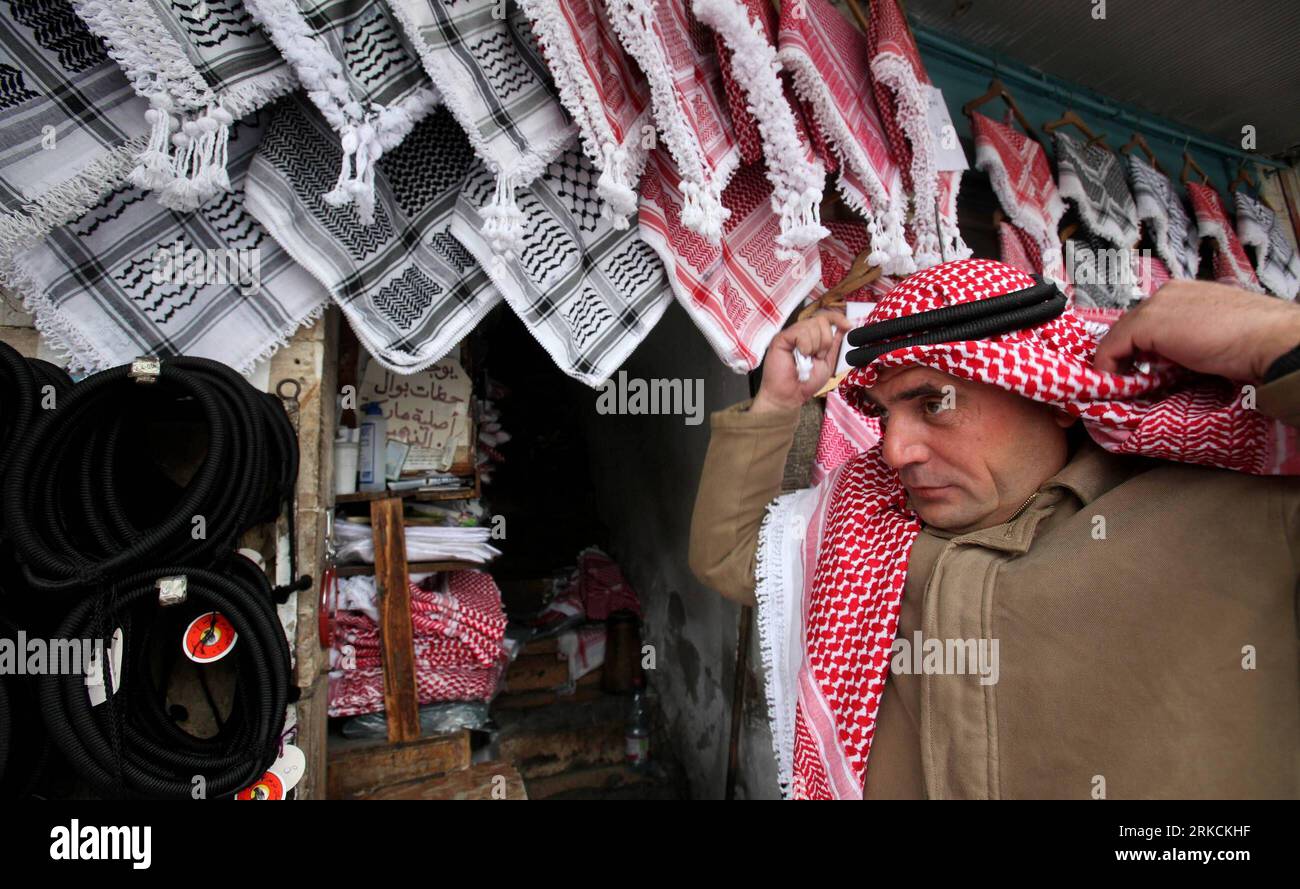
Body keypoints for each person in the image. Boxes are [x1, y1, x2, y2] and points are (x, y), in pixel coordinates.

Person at [688, 258, 1300, 799]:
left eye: (934, 405)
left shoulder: (1231, 510)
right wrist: (773, 406)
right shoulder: (870, 526)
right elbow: (735, 558)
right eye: (881, 413)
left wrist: (1279, 338)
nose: (896, 451)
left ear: (1053, 393)